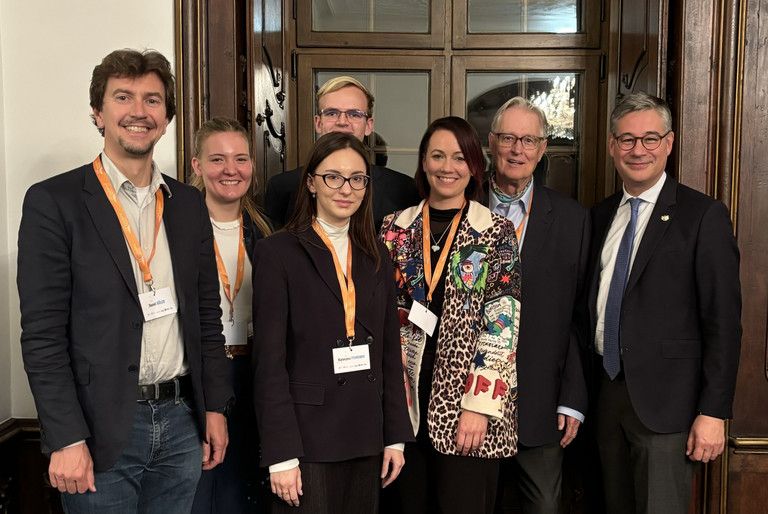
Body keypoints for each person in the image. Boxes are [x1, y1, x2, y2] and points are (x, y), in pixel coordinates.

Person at [17, 49, 232, 513]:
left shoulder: (188, 204)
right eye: (123, 97)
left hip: (181, 422)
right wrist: (66, 436)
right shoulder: (54, 202)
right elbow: (42, 336)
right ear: (98, 112)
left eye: (152, 100)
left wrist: (214, 407)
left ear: (167, 116)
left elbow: (205, 316)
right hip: (99, 430)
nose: (139, 111)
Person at [587, 92, 741, 514]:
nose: (638, 150)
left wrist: (713, 412)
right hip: (606, 397)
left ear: (669, 143)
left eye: (650, 138)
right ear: (612, 145)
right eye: (627, 139)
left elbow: (723, 322)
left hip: (668, 409)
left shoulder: (702, 215)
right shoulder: (600, 216)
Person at [252, 132, 413, 513]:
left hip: (366, 433)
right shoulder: (278, 252)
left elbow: (391, 353)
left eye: (357, 178)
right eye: (333, 177)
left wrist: (396, 437)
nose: (346, 189)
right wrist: (281, 454)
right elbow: (269, 363)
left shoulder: (376, 257)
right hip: (307, 439)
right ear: (311, 182)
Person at [379, 116, 522, 514]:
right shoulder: (394, 229)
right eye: (437, 155)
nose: (447, 167)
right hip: (405, 401)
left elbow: (503, 323)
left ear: (475, 166)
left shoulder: (495, 231)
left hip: (467, 405)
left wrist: (478, 405)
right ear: (423, 162)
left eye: (459, 158)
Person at [485, 97, 588, 513]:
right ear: (491, 142)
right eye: (508, 137)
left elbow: (580, 317)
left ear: (543, 148)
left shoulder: (572, 219)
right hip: (469, 402)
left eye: (529, 140)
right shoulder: (460, 206)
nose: (517, 149)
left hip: (542, 402)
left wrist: (573, 398)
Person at [190, 117, 272, 513]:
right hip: (198, 379)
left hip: (251, 374)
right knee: (201, 492)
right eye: (218, 159)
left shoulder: (266, 234)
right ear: (196, 165)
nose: (230, 170)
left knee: (242, 493)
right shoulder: (176, 229)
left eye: (241, 159)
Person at [264, 76, 419, 229]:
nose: (342, 122)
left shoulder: (404, 190)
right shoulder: (282, 187)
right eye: (332, 113)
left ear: (368, 125)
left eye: (354, 114)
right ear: (318, 123)